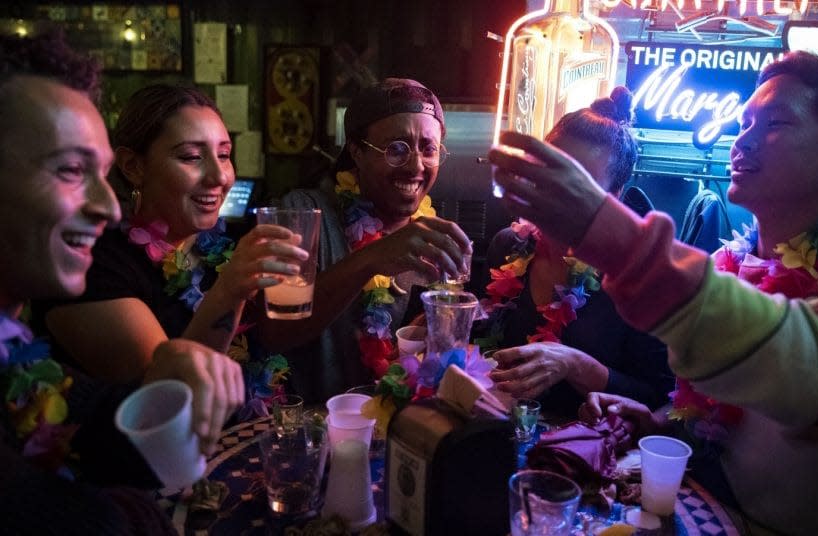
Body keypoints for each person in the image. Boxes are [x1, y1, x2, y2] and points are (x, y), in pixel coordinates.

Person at [490, 51, 818, 535]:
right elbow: (722, 425)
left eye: (775, 122)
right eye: (745, 121)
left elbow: (808, 364)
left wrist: (608, 235)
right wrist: (657, 422)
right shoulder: (733, 269)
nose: (742, 138)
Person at [0, 32, 243, 533]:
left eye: (102, 173)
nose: (109, 206)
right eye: (70, 169)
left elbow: (89, 422)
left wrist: (167, 377)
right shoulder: (106, 265)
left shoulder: (10, 350)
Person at [34, 84, 308, 395]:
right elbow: (165, 399)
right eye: (192, 157)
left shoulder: (228, 245)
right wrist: (229, 290)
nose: (219, 177)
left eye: (224, 155)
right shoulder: (93, 266)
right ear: (133, 166)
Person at [268, 78, 471, 402]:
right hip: (316, 432)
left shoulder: (435, 237)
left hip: (400, 434)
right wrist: (371, 258)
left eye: (428, 149)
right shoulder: (303, 213)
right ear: (357, 151)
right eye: (396, 149)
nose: (416, 165)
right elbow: (274, 333)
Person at [482, 88, 673, 414]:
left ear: (614, 194)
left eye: (577, 184)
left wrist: (577, 365)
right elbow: (478, 347)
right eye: (548, 172)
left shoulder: (642, 282)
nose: (555, 194)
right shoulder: (507, 246)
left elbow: (661, 401)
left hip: (585, 454)